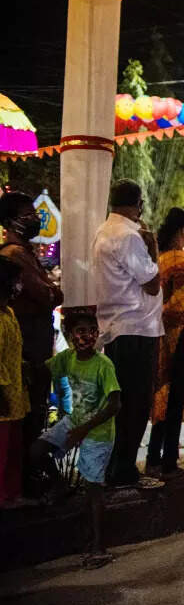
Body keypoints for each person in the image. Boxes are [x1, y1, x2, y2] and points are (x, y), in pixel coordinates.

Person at [31, 308, 121, 567]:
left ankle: (99, 546)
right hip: (76, 420)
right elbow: (44, 370)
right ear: (70, 336)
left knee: (93, 489)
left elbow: (115, 404)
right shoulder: (67, 359)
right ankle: (59, 485)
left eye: (92, 331)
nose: (87, 336)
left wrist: (84, 430)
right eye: (81, 332)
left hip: (99, 431)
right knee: (37, 450)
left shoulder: (103, 364)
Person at [92, 180, 162, 488]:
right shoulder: (129, 236)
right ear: (137, 204)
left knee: (122, 402)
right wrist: (153, 246)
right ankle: (124, 470)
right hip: (137, 327)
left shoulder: (104, 231)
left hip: (115, 326)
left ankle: (116, 466)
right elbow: (152, 283)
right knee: (137, 402)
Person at [0, 191, 63, 483]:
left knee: (37, 412)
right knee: (28, 417)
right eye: (29, 214)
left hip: (36, 343)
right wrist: (51, 292)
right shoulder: (13, 256)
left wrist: (51, 292)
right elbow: (46, 294)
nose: (36, 219)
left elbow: (51, 292)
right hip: (26, 346)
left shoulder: (26, 253)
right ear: (12, 220)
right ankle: (25, 479)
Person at [145, 208, 184, 480]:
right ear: (183, 231)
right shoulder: (183, 261)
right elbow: (178, 304)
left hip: (162, 334)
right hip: (180, 336)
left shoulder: (162, 258)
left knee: (163, 395)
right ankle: (168, 462)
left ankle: (153, 459)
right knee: (173, 399)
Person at [0, 256, 30, 506]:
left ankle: (12, 495)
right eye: (16, 280)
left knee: (13, 449)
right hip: (4, 399)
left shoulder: (8, 312)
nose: (19, 285)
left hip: (16, 395)